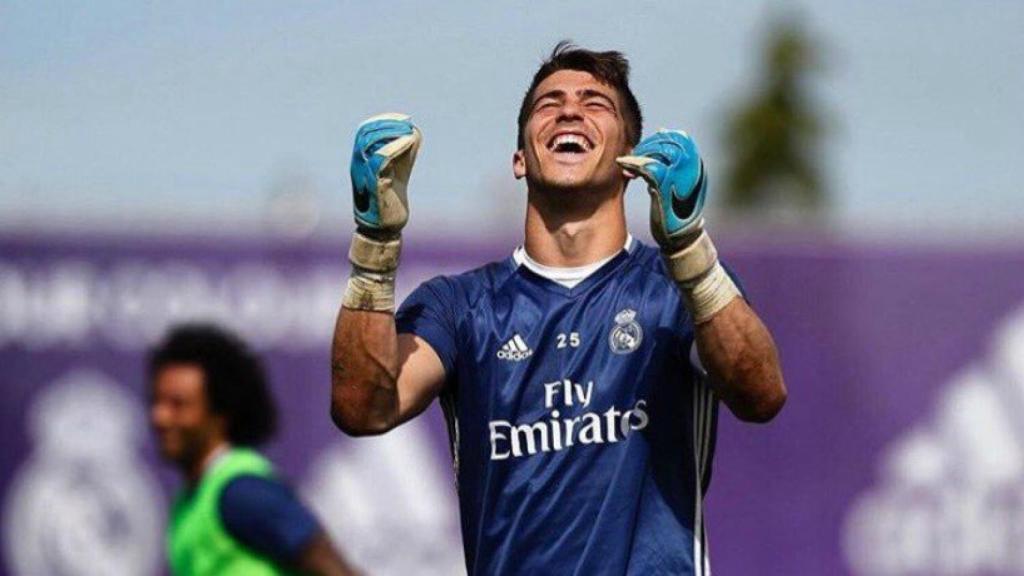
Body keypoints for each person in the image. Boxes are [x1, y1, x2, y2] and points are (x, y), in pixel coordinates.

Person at [331, 42, 787, 575]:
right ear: (520, 159)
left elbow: (762, 394)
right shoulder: (458, 306)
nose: (569, 110)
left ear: (630, 163)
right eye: (548, 104)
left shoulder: (676, 288)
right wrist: (375, 243)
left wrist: (689, 250)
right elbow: (362, 407)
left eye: (596, 104)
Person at [149, 323, 358, 576]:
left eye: (178, 405)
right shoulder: (187, 502)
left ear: (221, 414)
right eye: (157, 401)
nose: (159, 416)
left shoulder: (242, 493)